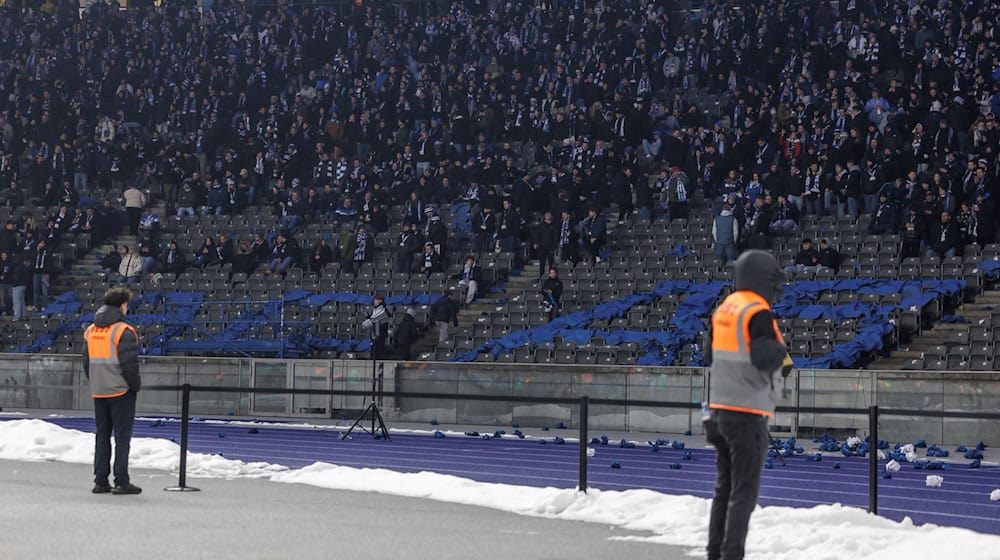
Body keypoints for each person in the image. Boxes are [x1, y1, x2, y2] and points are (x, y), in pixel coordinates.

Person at [704, 250, 791, 560]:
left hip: (718, 411)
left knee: (723, 489)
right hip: (747, 414)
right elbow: (763, 357)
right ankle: (731, 555)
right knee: (744, 493)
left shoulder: (724, 309)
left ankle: (715, 552)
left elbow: (709, 355)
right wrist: (781, 349)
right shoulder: (758, 312)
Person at [82, 287, 142, 495]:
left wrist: (96, 381)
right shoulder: (123, 331)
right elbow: (130, 366)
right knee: (122, 437)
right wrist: (134, 386)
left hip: (99, 390)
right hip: (120, 390)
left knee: (102, 436)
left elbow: (86, 362)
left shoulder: (91, 330)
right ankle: (121, 480)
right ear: (122, 305)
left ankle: (100, 481)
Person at [363, 294, 391, 359]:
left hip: (380, 333)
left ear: (380, 301)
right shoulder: (376, 309)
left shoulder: (383, 310)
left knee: (378, 351)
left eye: (376, 300)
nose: (374, 301)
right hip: (376, 333)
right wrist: (368, 317)